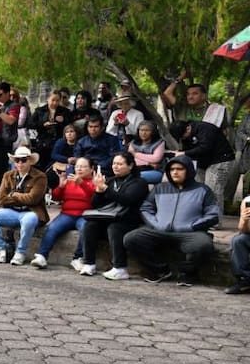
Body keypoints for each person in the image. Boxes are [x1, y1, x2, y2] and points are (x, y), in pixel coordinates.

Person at [124, 155, 219, 286]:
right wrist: (156, 224)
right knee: (131, 238)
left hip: (190, 233)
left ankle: (187, 273)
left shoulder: (203, 190)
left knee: (203, 245)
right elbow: (145, 208)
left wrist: (192, 226)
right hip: (159, 231)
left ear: (189, 170)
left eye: (180, 169)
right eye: (172, 169)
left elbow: (213, 215)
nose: (175, 172)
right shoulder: (160, 188)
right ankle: (160, 270)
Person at [76, 152, 149, 280]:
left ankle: (120, 268)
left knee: (115, 228)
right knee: (90, 225)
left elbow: (127, 199)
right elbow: (95, 204)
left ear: (130, 165)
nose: (115, 166)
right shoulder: (110, 180)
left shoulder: (139, 182)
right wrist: (98, 191)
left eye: (120, 164)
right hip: (108, 217)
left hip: (128, 220)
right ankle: (89, 263)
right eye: (114, 163)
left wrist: (105, 188)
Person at [0, 145, 48, 266]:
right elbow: (2, 198)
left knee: (30, 220)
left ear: (30, 161)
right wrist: (22, 198)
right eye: (17, 160)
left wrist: (14, 195)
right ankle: (3, 249)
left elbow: (33, 199)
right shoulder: (8, 175)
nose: (20, 163)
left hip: (30, 211)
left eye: (24, 160)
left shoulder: (40, 176)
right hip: (12, 211)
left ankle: (20, 252)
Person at [31, 157, 96, 269]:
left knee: (86, 229)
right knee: (52, 228)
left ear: (91, 169)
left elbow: (95, 199)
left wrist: (82, 184)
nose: (79, 169)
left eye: (83, 167)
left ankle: (78, 258)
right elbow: (56, 197)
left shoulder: (95, 181)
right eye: (77, 167)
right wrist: (61, 186)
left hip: (86, 214)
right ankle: (42, 255)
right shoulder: (70, 181)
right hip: (67, 213)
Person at [168, 119, 235, 207]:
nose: (183, 139)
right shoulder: (185, 136)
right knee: (198, 190)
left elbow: (205, 147)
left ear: (188, 128)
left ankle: (215, 218)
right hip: (203, 162)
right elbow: (189, 150)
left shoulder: (205, 129)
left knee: (213, 191)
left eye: (183, 136)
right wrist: (179, 152)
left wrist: (185, 153)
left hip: (220, 160)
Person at [224, 197, 250, 295]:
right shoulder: (248, 201)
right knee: (238, 240)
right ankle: (245, 280)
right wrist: (245, 220)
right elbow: (243, 230)